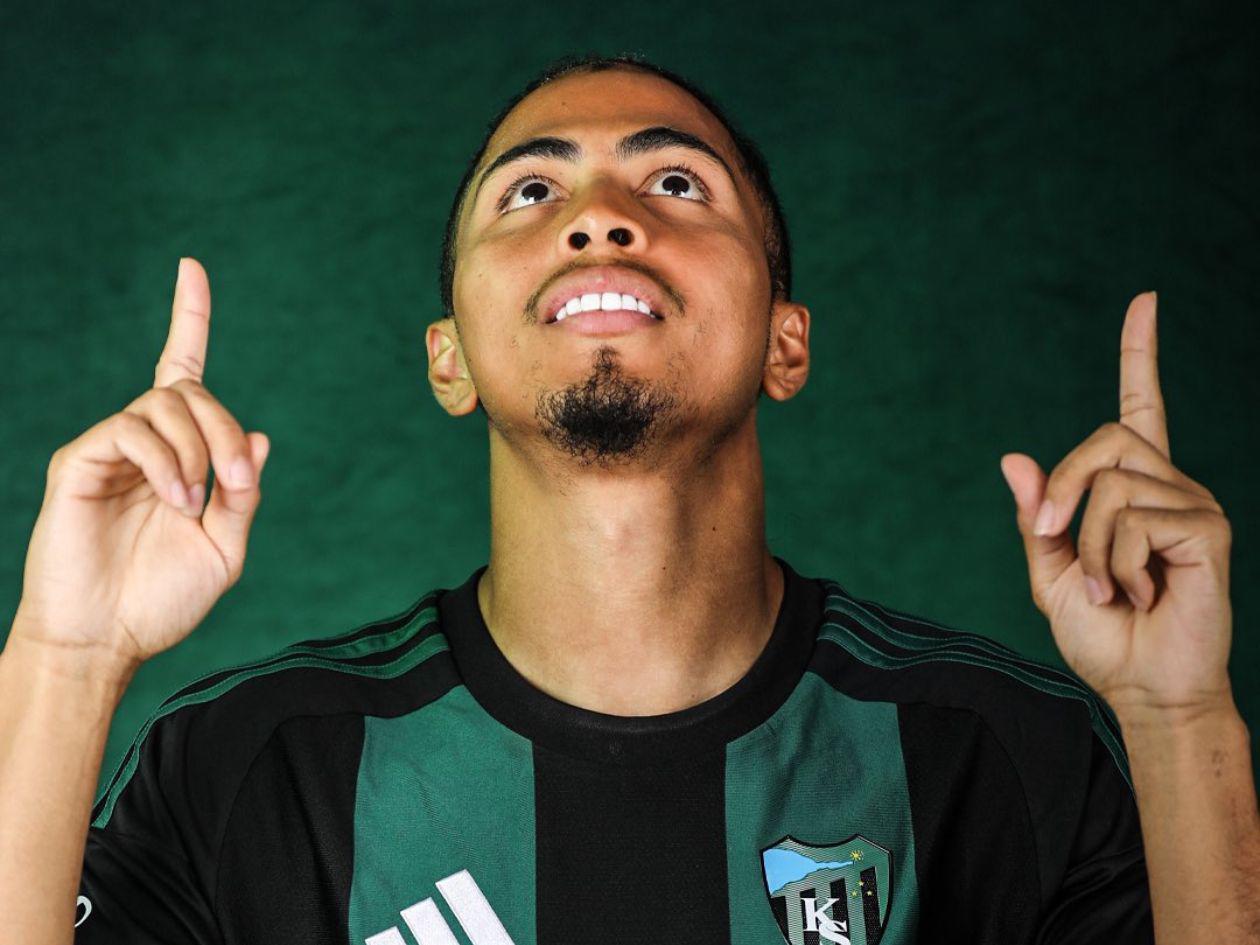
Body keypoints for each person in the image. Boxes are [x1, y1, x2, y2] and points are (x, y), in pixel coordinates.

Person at [0, 51, 1255, 945]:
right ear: (450, 359)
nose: (601, 219)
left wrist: (1178, 714)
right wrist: (64, 659)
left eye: (676, 185)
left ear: (786, 342)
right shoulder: (253, 771)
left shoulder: (1003, 757)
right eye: (531, 193)